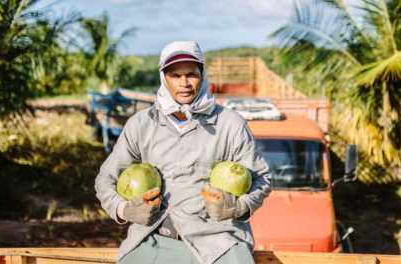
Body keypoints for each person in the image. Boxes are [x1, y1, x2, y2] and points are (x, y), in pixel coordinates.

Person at [95, 41, 271, 264]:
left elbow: (262, 179)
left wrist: (238, 206)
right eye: (175, 75)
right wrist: (124, 210)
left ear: (202, 75)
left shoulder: (230, 124)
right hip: (153, 237)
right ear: (163, 78)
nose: (184, 83)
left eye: (191, 74)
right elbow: (105, 179)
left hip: (219, 242)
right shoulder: (140, 125)